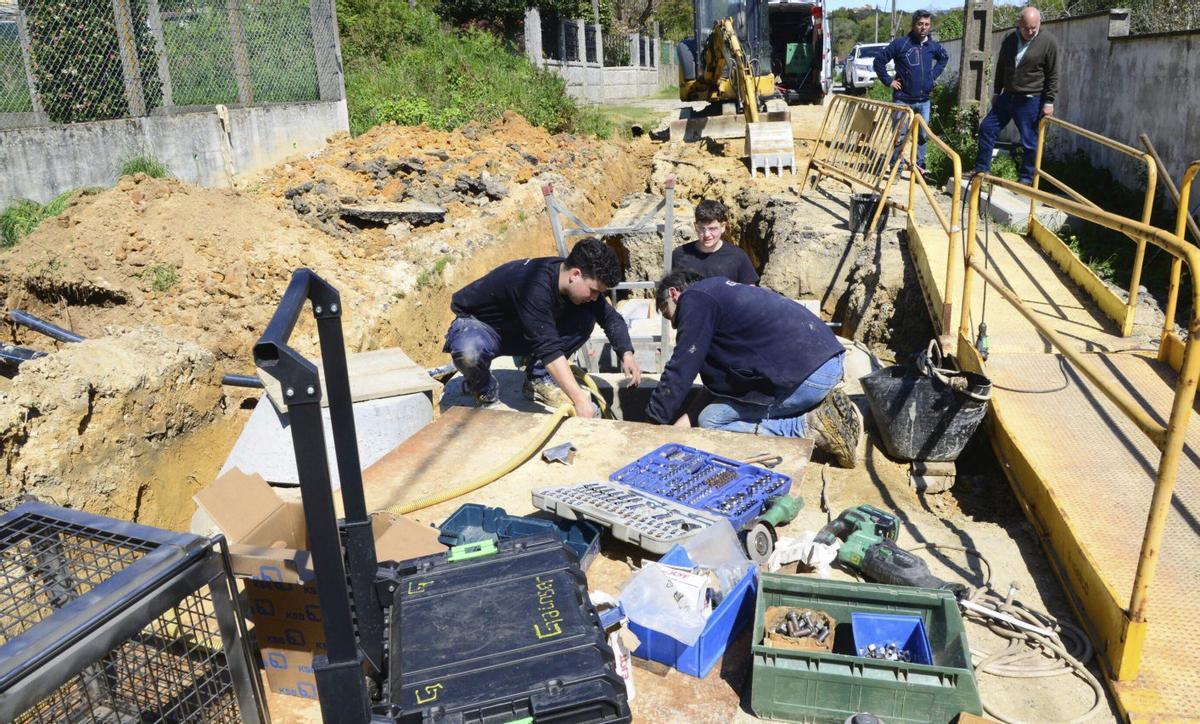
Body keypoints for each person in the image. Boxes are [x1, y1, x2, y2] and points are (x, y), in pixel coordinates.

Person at [645, 270, 862, 468]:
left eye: (670, 316)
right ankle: (821, 407)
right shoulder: (720, 296)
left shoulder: (694, 300)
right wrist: (681, 425)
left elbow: (682, 366)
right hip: (825, 363)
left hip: (808, 380)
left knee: (711, 419)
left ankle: (809, 425)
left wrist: (651, 426)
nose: (675, 324)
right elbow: (717, 389)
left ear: (674, 294)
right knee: (708, 412)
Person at [443, 237, 641, 418]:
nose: (595, 297)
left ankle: (537, 379)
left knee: (585, 318)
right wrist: (580, 401)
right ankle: (484, 389)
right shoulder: (534, 285)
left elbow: (610, 318)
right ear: (575, 274)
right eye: (594, 290)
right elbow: (549, 349)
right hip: (484, 326)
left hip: (523, 327)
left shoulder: (575, 281)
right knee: (468, 351)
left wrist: (626, 353)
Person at [973, 6, 1058, 185]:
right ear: (1019, 24)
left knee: (1030, 141)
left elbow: (1053, 74)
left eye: (1034, 27)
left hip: (1030, 98)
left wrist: (1049, 101)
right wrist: (997, 91)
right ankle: (981, 170)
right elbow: (1001, 65)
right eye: (1026, 27)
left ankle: (1026, 180)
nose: (1030, 31)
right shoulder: (1010, 38)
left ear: (1039, 24)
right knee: (987, 128)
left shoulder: (1048, 42)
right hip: (1008, 95)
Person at [874, 10, 949, 176]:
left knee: (922, 136)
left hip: (924, 101)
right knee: (900, 137)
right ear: (914, 24)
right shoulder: (901, 44)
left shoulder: (932, 46)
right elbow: (879, 61)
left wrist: (932, 75)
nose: (923, 27)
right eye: (920, 24)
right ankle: (896, 168)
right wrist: (889, 81)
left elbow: (944, 58)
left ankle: (919, 169)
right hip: (902, 100)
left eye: (927, 24)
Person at [671, 200, 759, 285]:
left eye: (712, 229)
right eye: (701, 228)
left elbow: (750, 292)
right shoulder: (679, 254)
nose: (706, 235)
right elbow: (670, 291)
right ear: (695, 226)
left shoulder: (738, 257)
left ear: (723, 227)